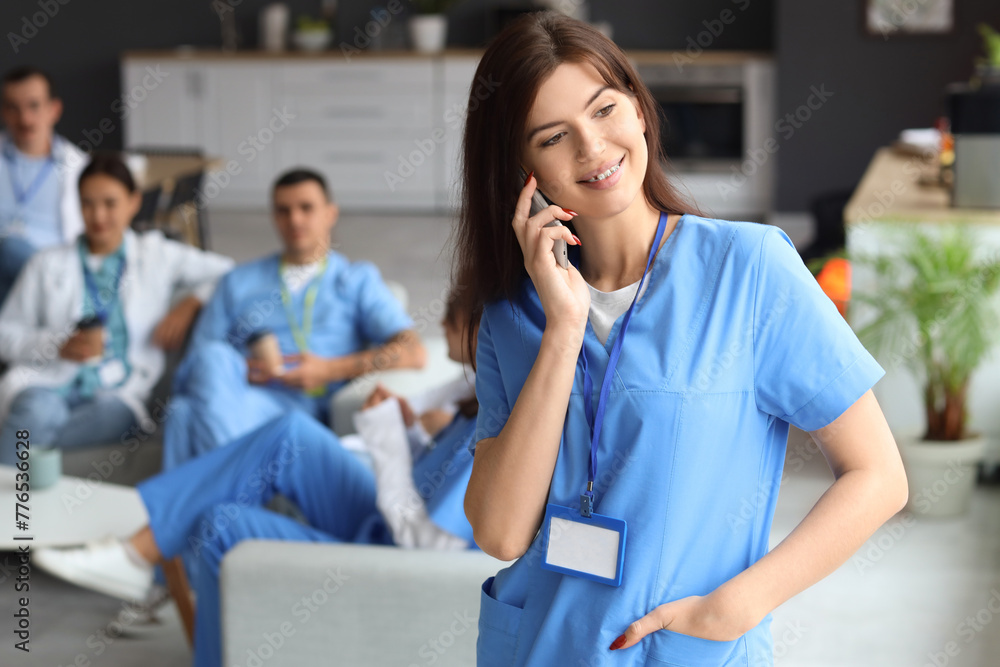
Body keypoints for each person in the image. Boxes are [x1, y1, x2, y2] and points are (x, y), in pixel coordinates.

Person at [458, 13, 908, 666]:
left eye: (605, 109)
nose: (592, 148)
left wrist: (743, 603)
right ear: (523, 172)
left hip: (686, 649)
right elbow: (500, 531)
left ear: (639, 110)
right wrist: (564, 328)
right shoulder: (513, 313)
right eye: (555, 137)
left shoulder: (749, 268)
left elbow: (879, 476)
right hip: (540, 647)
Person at [33, 290, 481, 667]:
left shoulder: (489, 424)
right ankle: (140, 549)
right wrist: (412, 430)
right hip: (383, 515)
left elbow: (423, 542)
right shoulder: (473, 392)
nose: (442, 321)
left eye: (456, 312)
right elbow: (431, 474)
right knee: (290, 436)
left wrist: (388, 441)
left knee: (221, 522)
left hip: (394, 553)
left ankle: (141, 554)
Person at [162, 168, 425, 469]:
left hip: (305, 409)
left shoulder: (356, 279)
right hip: (239, 393)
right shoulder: (237, 281)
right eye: (283, 211)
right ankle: (235, 502)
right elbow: (196, 360)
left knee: (183, 414)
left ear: (330, 213)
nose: (295, 220)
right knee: (209, 362)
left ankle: (199, 504)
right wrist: (244, 368)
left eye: (306, 208)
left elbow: (412, 351)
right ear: (274, 217)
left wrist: (329, 369)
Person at [0, 153, 233, 465]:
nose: (98, 216)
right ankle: (20, 487)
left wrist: (192, 303)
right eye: (87, 203)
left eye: (110, 203)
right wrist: (56, 344)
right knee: (39, 410)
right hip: (50, 382)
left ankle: (25, 465)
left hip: (118, 394)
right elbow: (6, 335)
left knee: (110, 418)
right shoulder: (46, 262)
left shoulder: (155, 254)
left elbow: (231, 272)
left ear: (133, 202)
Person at [0, 66, 87, 306]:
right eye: (13, 108)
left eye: (34, 106)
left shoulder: (78, 167)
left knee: (13, 250)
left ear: (54, 110)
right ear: (3, 112)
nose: (25, 119)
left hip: (51, 272)